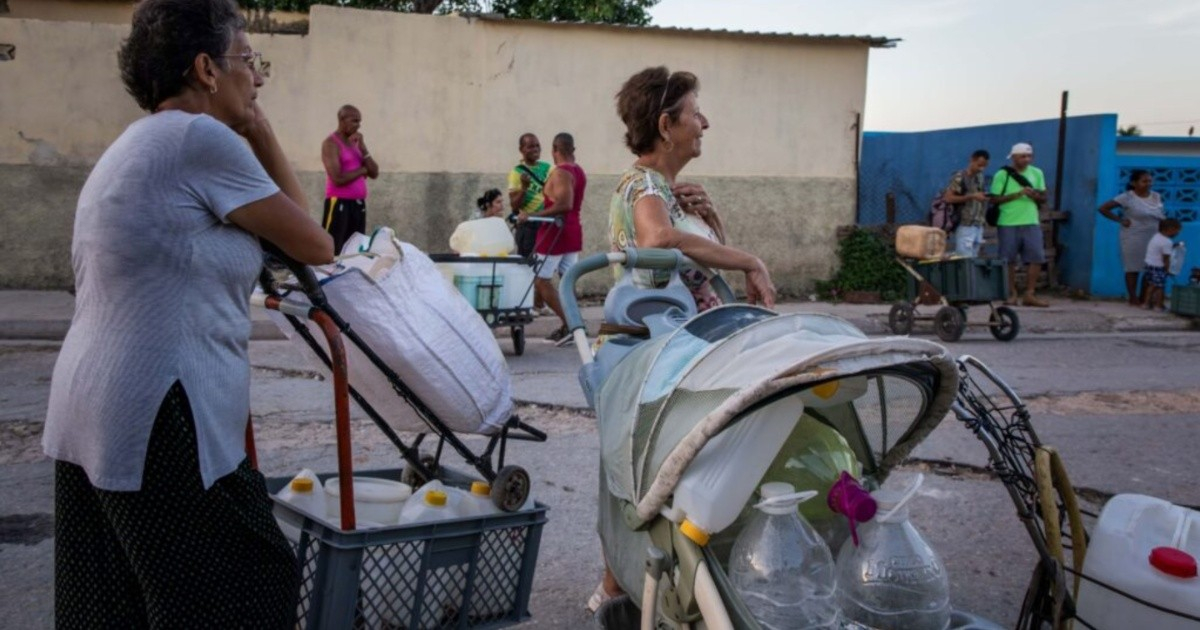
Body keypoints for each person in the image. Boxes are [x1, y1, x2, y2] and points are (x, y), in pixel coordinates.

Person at [42, 1, 333, 627]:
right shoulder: (196, 138)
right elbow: (314, 240)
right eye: (248, 60)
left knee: (118, 604)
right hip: (160, 410)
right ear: (206, 68)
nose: (256, 77)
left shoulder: (141, 141)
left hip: (91, 404)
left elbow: (290, 230)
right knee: (247, 585)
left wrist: (251, 124)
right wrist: (259, 129)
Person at [589, 65, 777, 613]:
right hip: (653, 354)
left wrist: (713, 222)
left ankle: (636, 586)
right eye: (696, 114)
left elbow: (696, 269)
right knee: (653, 476)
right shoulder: (643, 185)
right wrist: (750, 259)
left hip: (688, 350)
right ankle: (621, 586)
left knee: (664, 474)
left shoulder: (669, 193)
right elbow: (656, 240)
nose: (705, 123)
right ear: (668, 124)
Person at [518, 132, 586, 343]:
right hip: (571, 231)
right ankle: (571, 325)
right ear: (572, 149)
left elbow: (564, 205)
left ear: (555, 150)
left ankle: (572, 326)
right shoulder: (578, 171)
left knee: (541, 281)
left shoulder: (561, 173)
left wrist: (531, 216)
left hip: (554, 233)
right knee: (567, 280)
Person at [990, 142, 1050, 307]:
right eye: (1023, 156)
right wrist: (1018, 194)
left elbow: (1044, 197)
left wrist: (1034, 196)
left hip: (1031, 220)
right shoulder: (1002, 174)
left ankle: (1030, 294)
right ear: (1014, 157)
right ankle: (1011, 292)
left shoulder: (1037, 173)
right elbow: (994, 198)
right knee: (1008, 259)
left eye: (1029, 156)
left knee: (1036, 257)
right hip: (1008, 222)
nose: (1026, 159)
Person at [1097, 169, 1166, 305]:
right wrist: (1120, 220)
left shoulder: (1156, 196)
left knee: (1150, 268)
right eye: (1144, 181)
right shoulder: (1127, 197)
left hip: (1153, 236)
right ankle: (1133, 297)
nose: (1148, 184)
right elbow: (1103, 208)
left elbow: (1160, 214)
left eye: (1150, 181)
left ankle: (1144, 297)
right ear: (1134, 183)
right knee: (1132, 267)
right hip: (1133, 236)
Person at [322, 104, 379, 253]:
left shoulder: (356, 144)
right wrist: (362, 170)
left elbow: (374, 172)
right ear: (342, 119)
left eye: (359, 122)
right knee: (333, 247)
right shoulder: (331, 143)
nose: (358, 126)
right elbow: (337, 178)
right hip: (339, 202)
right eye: (354, 121)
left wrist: (364, 148)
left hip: (358, 204)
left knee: (354, 249)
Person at [507, 132, 552, 313]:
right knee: (527, 264)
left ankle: (539, 303)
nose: (534, 149)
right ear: (521, 149)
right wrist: (524, 188)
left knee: (542, 264)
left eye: (537, 146)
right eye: (530, 146)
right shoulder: (516, 173)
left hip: (545, 222)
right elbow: (514, 205)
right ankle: (527, 303)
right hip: (528, 224)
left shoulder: (548, 169)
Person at [942, 150, 990, 257]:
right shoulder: (960, 177)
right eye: (979, 165)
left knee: (974, 259)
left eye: (984, 166)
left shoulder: (980, 177)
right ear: (972, 160)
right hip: (965, 223)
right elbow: (948, 198)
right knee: (965, 259)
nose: (981, 168)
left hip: (978, 224)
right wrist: (972, 196)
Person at [1143, 218, 1183, 310]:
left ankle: (1146, 304)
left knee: (1151, 286)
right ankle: (1158, 305)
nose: (1177, 233)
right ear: (1170, 229)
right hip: (1159, 267)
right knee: (1160, 287)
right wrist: (1168, 269)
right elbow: (1166, 258)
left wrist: (1173, 246)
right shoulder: (1167, 242)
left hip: (1150, 265)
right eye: (1177, 231)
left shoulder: (1156, 236)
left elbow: (1159, 248)